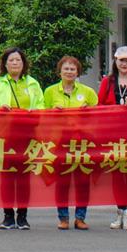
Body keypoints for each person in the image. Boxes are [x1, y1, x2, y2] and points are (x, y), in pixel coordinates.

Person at [0, 47, 44, 230]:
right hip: (4, 136)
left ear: (24, 63)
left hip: (27, 135)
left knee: (25, 176)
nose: (15, 63)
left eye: (18, 60)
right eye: (11, 60)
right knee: (7, 176)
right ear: (4, 64)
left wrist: (36, 112)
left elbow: (41, 105)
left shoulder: (32, 83)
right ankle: (8, 215)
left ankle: (23, 216)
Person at [44, 55, 98, 230]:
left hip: (82, 142)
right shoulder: (50, 91)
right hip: (60, 142)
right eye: (66, 68)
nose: (69, 72)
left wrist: (87, 112)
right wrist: (53, 112)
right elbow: (42, 115)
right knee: (63, 181)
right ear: (59, 71)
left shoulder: (88, 92)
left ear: (78, 72)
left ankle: (80, 217)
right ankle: (63, 217)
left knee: (83, 181)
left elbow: (99, 117)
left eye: (72, 69)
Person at [97, 46, 127, 230]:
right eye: (121, 60)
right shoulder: (107, 82)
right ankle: (119, 211)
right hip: (114, 134)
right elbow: (100, 105)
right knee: (117, 174)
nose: (124, 64)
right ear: (115, 61)